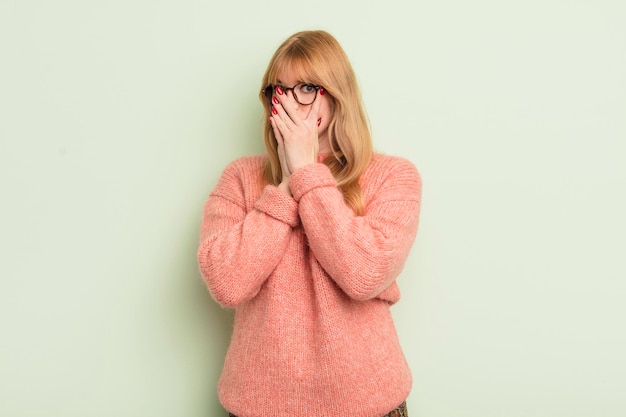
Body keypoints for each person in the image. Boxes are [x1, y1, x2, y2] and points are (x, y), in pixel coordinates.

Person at [197, 30, 421, 417]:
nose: (288, 103)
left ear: (336, 96)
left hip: (368, 406)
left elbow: (364, 273)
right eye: (277, 90)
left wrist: (307, 174)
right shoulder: (240, 178)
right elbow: (226, 283)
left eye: (304, 87)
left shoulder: (393, 177)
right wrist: (285, 187)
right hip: (258, 406)